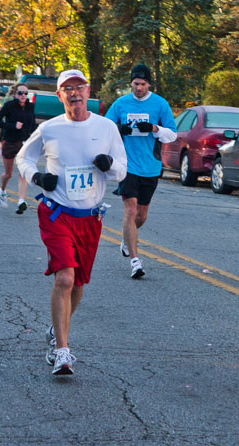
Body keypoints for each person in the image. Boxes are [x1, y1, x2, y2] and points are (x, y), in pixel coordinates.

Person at [16, 69, 126, 375]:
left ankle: (57, 328)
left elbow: (122, 171)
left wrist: (110, 165)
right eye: (67, 89)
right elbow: (23, 158)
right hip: (57, 213)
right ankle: (62, 351)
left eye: (78, 87)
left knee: (78, 282)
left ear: (88, 91)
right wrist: (36, 176)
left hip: (90, 218)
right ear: (60, 95)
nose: (74, 93)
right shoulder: (50, 129)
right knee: (64, 277)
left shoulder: (106, 128)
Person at [105, 64, 177, 279]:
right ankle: (136, 261)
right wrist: (119, 129)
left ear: (149, 85)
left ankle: (128, 237)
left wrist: (154, 129)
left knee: (141, 215)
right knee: (129, 210)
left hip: (151, 166)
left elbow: (172, 134)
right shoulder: (121, 104)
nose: (139, 88)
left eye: (143, 84)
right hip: (127, 165)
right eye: (136, 84)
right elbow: (104, 128)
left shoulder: (160, 104)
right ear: (131, 84)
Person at [0, 83, 36, 213]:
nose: (23, 96)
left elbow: (33, 124)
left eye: (25, 93)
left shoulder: (30, 107)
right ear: (15, 94)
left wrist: (34, 138)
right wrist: (12, 126)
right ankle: (2, 189)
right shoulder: (9, 106)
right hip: (10, 142)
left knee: (22, 172)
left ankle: (21, 200)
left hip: (24, 143)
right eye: (20, 93)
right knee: (8, 174)